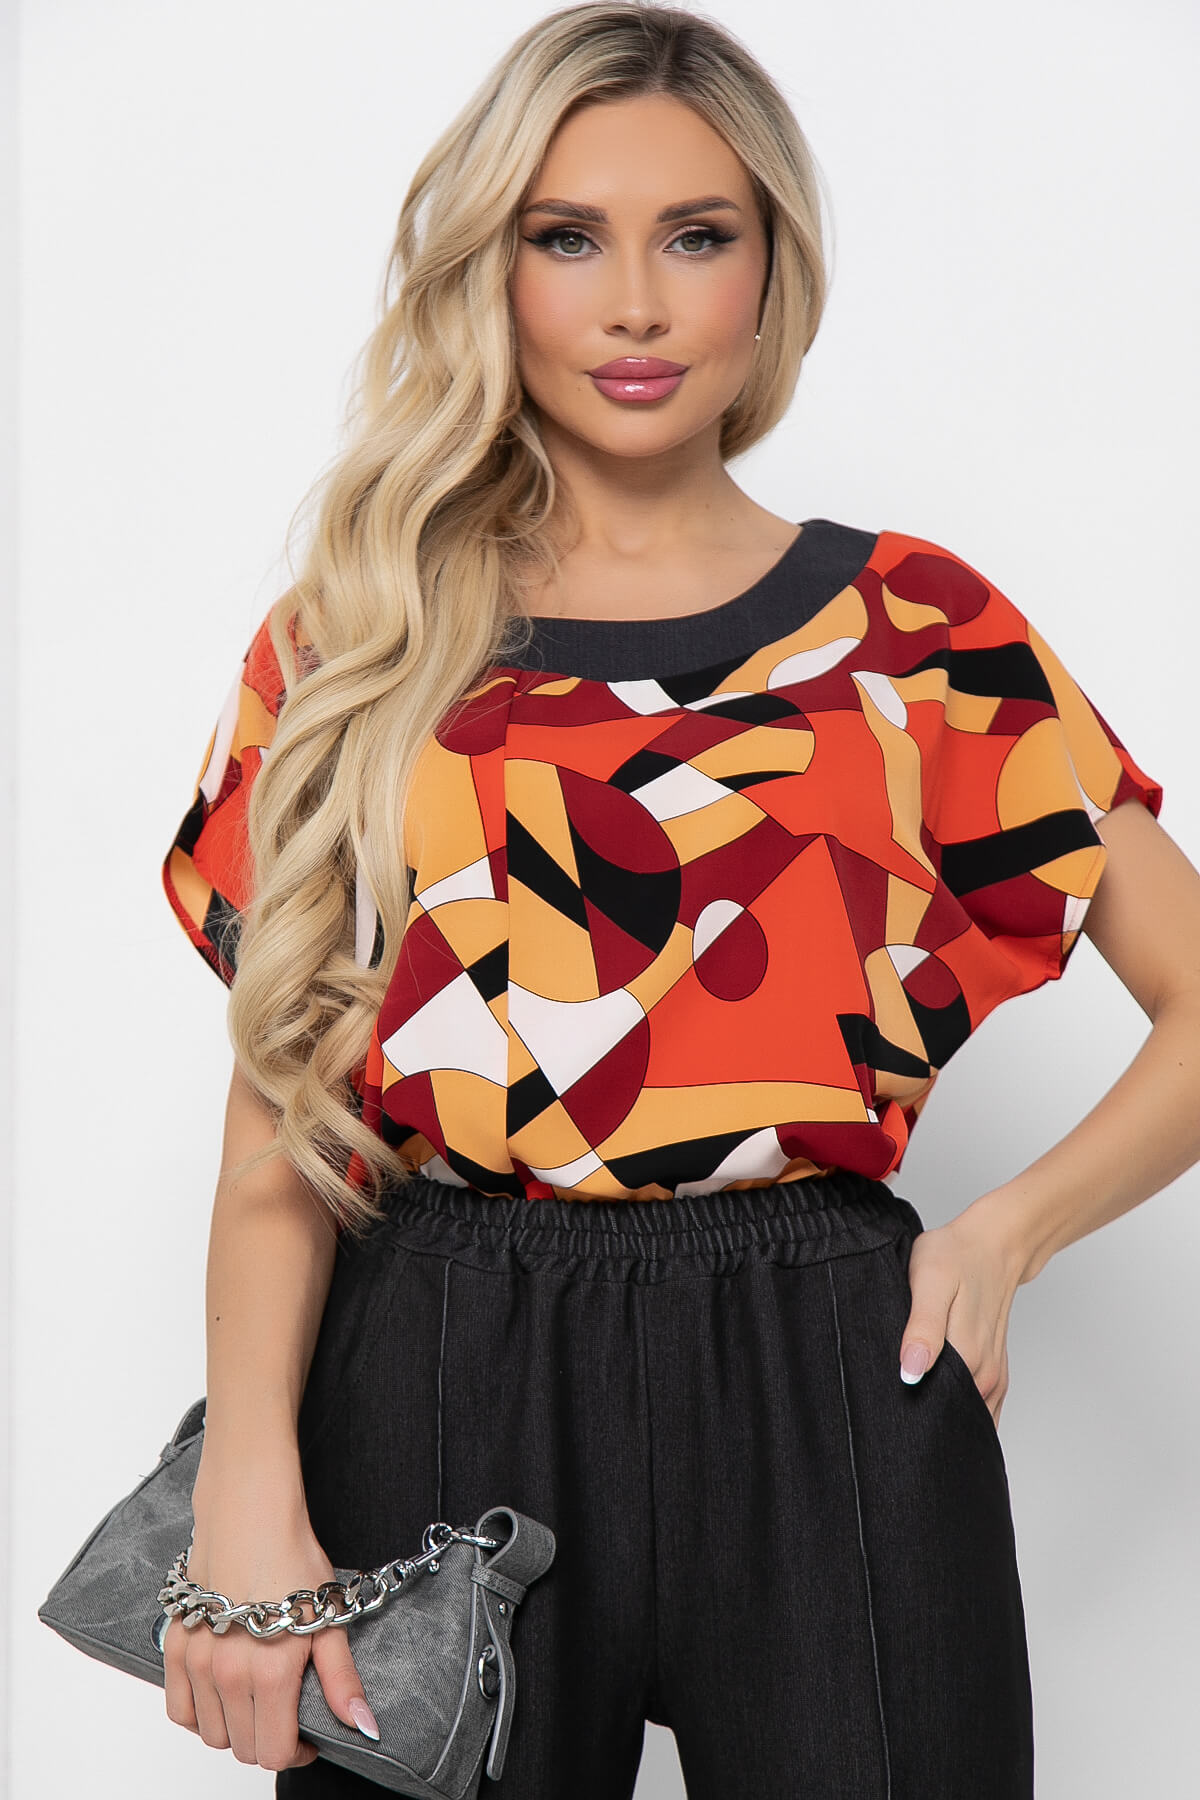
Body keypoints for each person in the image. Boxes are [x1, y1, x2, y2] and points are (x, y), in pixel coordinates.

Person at [156, 4, 1196, 1795]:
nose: (635, 304)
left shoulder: (921, 636)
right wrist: (248, 1489)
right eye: (568, 238)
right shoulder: (362, 634)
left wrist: (1004, 1235)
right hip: (440, 1357)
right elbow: (286, 1123)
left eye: (695, 236)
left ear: (771, 270)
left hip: (826, 1364)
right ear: (491, 273)